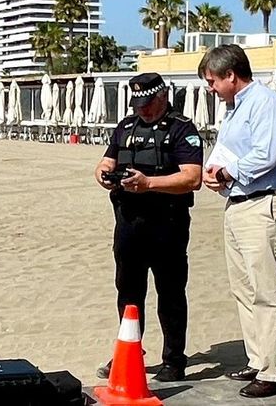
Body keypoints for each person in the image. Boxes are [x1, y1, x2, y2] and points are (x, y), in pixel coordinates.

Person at [200, 45, 276, 399]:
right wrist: (215, 173)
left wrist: (226, 172)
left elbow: (265, 154)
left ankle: (274, 371)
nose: (211, 88)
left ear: (231, 75)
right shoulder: (235, 108)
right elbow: (231, 150)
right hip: (239, 202)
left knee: (267, 289)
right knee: (244, 288)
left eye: (213, 81)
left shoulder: (265, 102)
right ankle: (258, 358)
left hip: (266, 201)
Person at [94, 72, 203, 384]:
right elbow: (105, 162)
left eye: (148, 103)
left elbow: (192, 177)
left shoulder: (181, 128)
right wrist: (104, 175)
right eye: (138, 104)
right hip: (129, 222)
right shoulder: (126, 127)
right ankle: (129, 352)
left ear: (163, 97)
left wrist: (149, 184)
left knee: (170, 292)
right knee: (128, 291)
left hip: (167, 223)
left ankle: (174, 360)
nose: (142, 109)